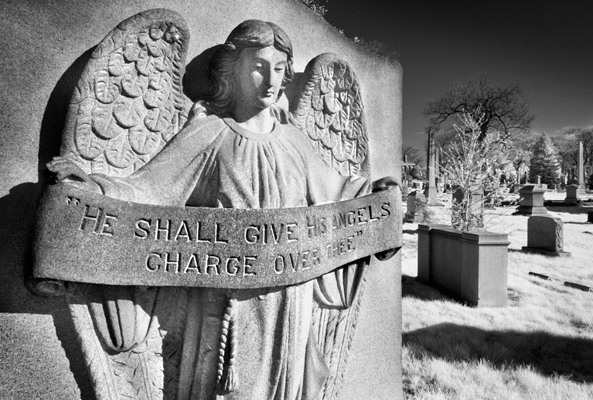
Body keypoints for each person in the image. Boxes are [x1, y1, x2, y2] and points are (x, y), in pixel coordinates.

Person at [48, 19, 395, 400]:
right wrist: (94, 189)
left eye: (279, 69)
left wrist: (373, 197)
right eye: (258, 67)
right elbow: (149, 189)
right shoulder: (211, 133)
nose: (270, 80)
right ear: (233, 70)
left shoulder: (294, 142)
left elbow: (337, 192)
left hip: (291, 297)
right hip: (228, 300)